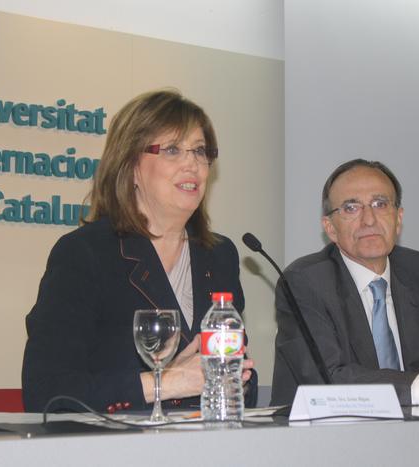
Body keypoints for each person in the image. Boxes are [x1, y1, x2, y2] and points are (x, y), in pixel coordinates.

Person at [22, 89, 257, 413]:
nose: (192, 163)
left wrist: (236, 379)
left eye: (200, 151)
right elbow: (46, 391)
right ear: (131, 164)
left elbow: (243, 381)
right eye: (172, 150)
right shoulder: (85, 253)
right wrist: (166, 382)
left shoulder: (219, 255)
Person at [270, 158, 419, 407]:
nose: (369, 220)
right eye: (351, 208)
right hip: (326, 430)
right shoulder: (304, 283)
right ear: (330, 228)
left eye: (380, 204)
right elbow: (331, 381)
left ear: (398, 219)